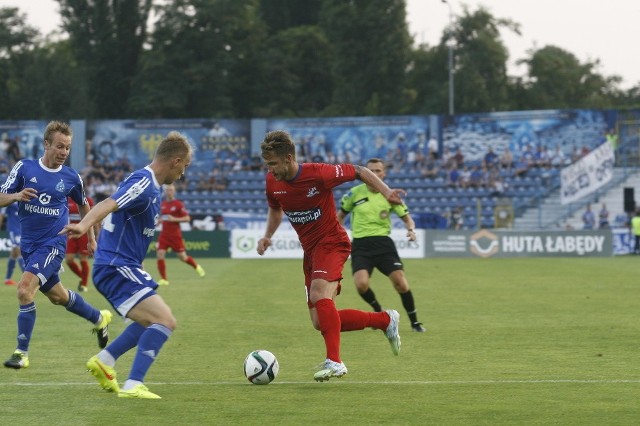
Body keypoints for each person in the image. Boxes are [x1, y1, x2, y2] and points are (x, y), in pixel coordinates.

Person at [256, 130, 403, 382]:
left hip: (332, 242)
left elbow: (359, 170)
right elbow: (275, 210)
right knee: (319, 320)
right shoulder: (273, 182)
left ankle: (335, 362)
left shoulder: (318, 173)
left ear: (289, 158)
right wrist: (267, 235)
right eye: (267, 164)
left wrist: (386, 192)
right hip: (311, 251)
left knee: (318, 294)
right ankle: (384, 320)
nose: (270, 170)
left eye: (273, 164)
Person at [61, 131, 192, 399]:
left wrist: (96, 239)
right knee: (164, 320)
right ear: (176, 161)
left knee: (149, 321)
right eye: (185, 166)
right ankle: (134, 384)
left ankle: (105, 360)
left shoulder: (153, 188)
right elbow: (108, 203)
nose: (183, 174)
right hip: (115, 266)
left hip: (123, 265)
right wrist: (85, 226)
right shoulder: (143, 181)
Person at [0, 120, 112, 370]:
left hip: (53, 244)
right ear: (46, 144)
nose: (63, 152)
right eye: (59, 146)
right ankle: (99, 318)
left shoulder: (71, 177)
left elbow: (85, 206)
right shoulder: (24, 168)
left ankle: (21, 352)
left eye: (68, 148)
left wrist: (92, 238)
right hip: (29, 245)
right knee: (58, 297)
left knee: (24, 290)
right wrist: (17, 195)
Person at [337, 158, 426, 333]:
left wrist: (411, 229)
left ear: (383, 173)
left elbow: (407, 218)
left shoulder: (390, 195)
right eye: (371, 171)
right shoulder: (353, 194)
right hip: (361, 245)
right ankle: (379, 312)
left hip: (383, 244)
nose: (374, 174)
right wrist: (336, 234)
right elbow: (339, 216)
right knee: (361, 284)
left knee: (401, 283)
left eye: (378, 171)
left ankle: (415, 322)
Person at [156, 183, 205, 285]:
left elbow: (187, 218)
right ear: (165, 192)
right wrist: (160, 220)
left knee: (183, 257)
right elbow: (164, 217)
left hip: (175, 235)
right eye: (168, 190)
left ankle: (197, 267)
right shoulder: (163, 204)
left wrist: (174, 219)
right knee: (160, 254)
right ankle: (164, 279)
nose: (169, 191)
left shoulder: (178, 204)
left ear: (174, 191)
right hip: (164, 234)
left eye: (171, 190)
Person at [66, 196, 96, 292]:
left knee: (83, 258)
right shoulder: (68, 200)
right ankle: (82, 277)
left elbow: (94, 217)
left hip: (84, 233)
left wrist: (95, 233)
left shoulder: (88, 200)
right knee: (69, 260)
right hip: (71, 232)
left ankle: (84, 284)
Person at [0, 202, 24, 285]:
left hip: (22, 230)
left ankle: (7, 279)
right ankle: (26, 277)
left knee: (14, 254)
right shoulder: (9, 200)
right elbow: (2, 214)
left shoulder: (23, 199)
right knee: (18, 251)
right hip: (13, 230)